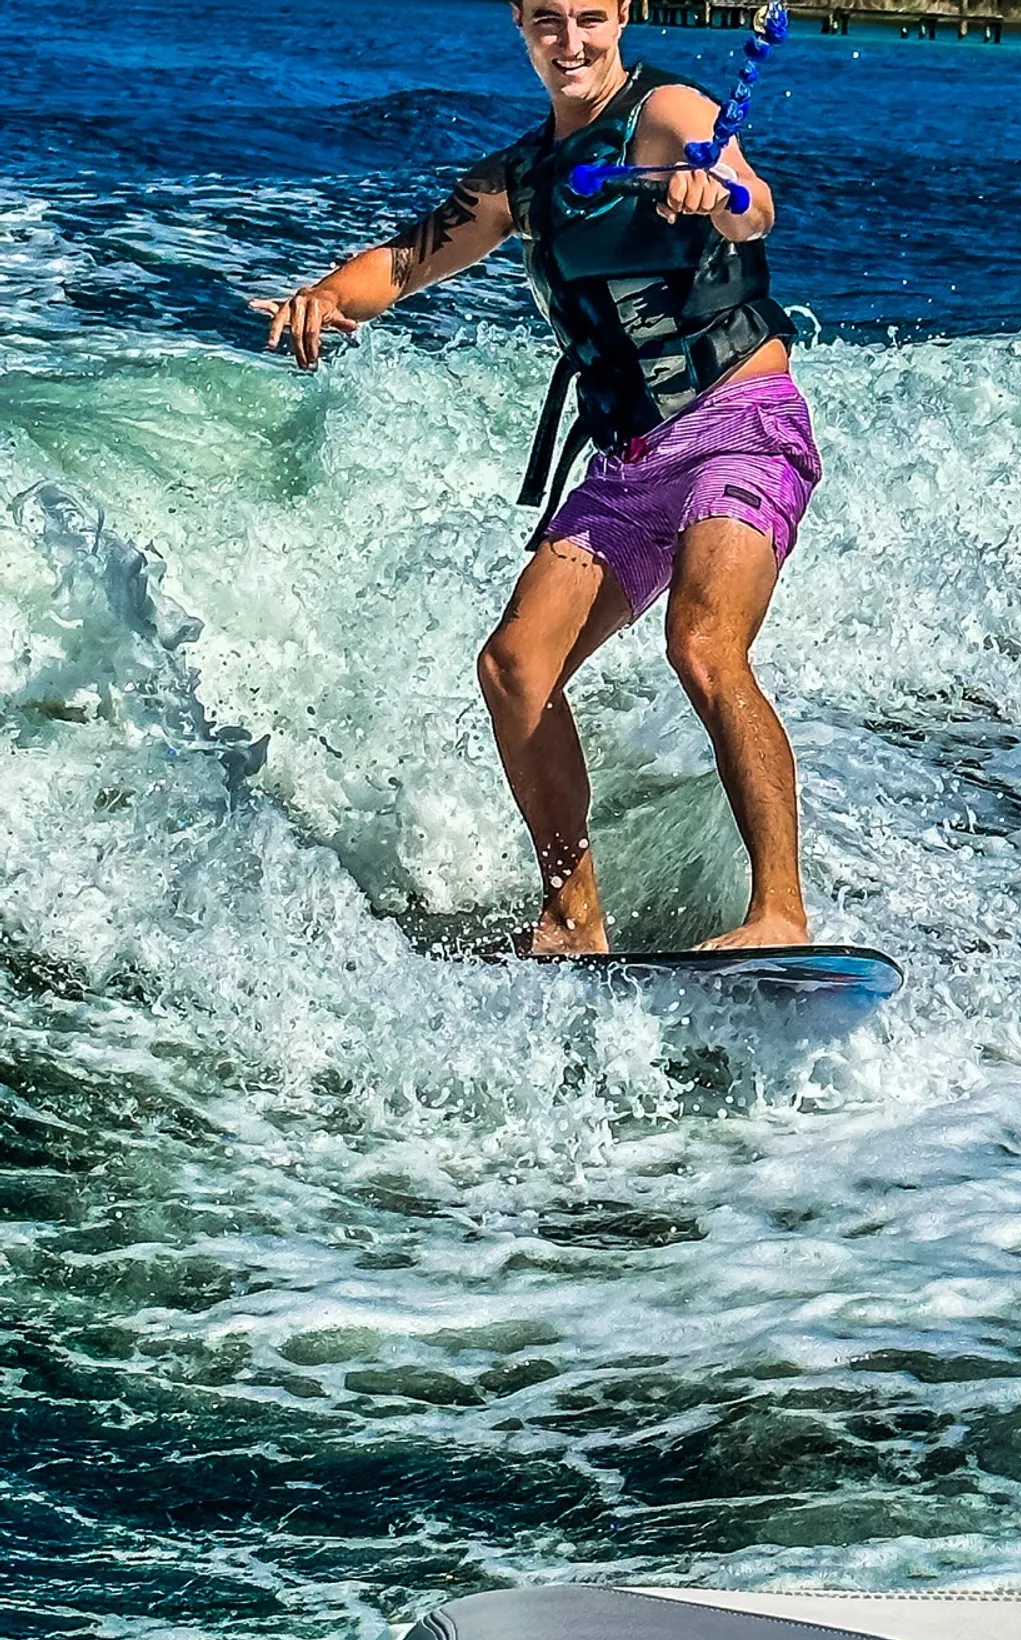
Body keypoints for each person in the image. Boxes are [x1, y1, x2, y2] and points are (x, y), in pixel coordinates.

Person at [254, 0, 817, 954]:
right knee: (516, 667)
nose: (571, 41)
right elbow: (399, 265)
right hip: (629, 460)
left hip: (739, 426)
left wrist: (712, 185)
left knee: (704, 643)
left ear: (623, 16)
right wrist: (322, 300)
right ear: (520, 25)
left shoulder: (666, 112)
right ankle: (572, 908)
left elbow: (750, 199)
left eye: (589, 18)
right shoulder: (524, 178)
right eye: (547, 21)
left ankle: (779, 914)